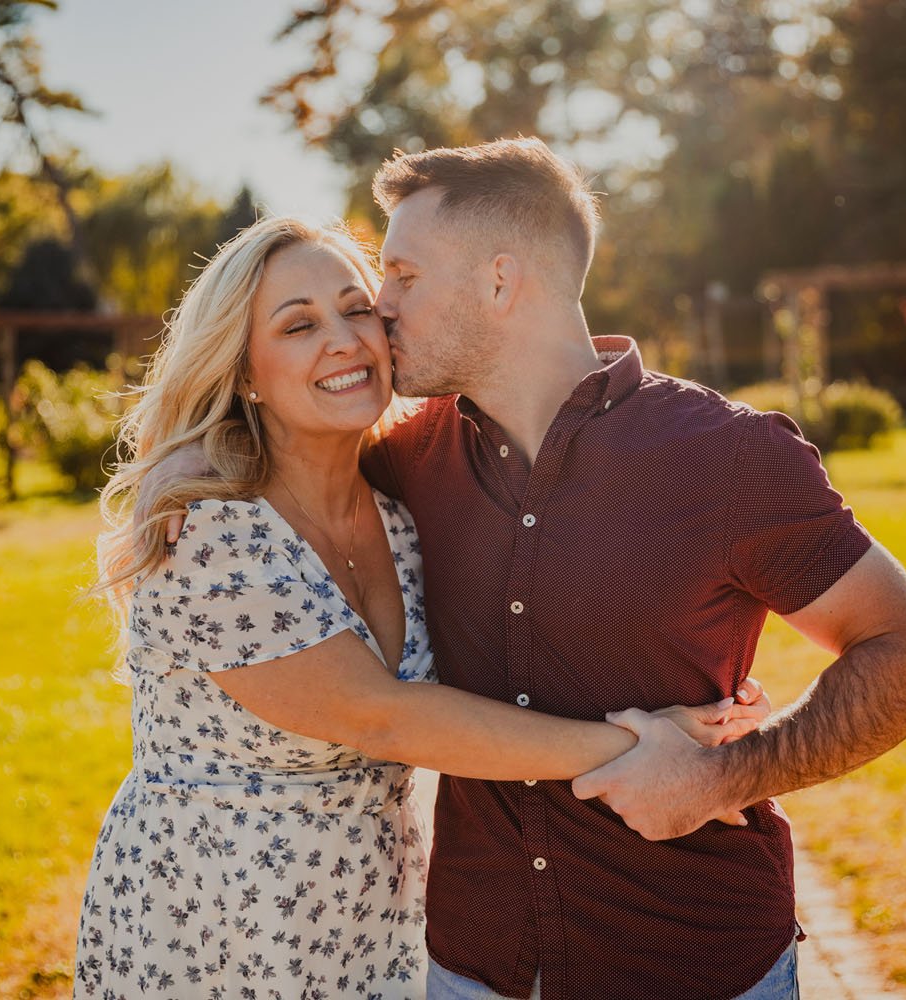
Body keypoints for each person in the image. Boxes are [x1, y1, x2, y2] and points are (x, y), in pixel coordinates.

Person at [147, 137, 906, 999]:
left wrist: (728, 772)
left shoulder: (727, 456)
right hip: (474, 967)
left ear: (500, 281)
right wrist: (174, 482)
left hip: (695, 962)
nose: (380, 308)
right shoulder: (408, 461)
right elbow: (277, 458)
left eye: (404, 277)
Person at [75, 215, 768, 999]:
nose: (343, 339)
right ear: (243, 374)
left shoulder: (401, 510)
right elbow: (383, 715)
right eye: (299, 325)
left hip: (373, 917)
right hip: (221, 921)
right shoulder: (211, 529)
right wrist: (637, 747)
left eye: (356, 308)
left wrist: (690, 683)